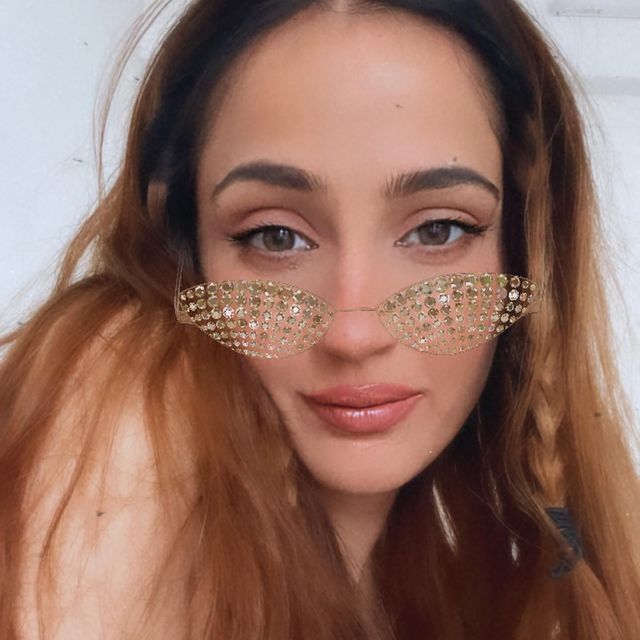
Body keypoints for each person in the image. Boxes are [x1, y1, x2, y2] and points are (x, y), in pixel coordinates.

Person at [1, 0, 639, 638]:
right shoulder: (117, 380)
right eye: (276, 237)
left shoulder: (436, 573)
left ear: (525, 249)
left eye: (438, 230)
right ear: (184, 249)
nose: (353, 334)